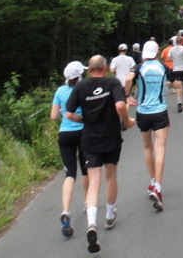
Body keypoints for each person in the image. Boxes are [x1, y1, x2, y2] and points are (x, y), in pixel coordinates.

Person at [65, 55, 134, 254]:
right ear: (105, 67)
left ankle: (92, 224)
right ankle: (110, 215)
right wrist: (126, 122)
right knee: (111, 175)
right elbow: (120, 105)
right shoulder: (112, 82)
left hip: (90, 139)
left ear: (89, 70)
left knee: (94, 182)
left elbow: (68, 114)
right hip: (110, 137)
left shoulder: (80, 87)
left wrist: (84, 121)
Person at [125, 40, 170, 212]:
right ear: (157, 52)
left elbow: (128, 79)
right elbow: (172, 81)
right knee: (160, 147)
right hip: (160, 110)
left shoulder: (138, 67)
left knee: (147, 146)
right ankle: (158, 186)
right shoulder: (162, 67)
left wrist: (127, 95)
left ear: (144, 53)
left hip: (143, 111)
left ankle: (152, 181)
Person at [51, 60, 90, 238]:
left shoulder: (60, 91)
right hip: (82, 133)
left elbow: (53, 116)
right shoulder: (83, 88)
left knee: (69, 174)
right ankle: (87, 203)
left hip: (65, 134)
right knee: (86, 170)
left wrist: (61, 113)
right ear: (79, 75)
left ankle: (66, 211)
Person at [168, 34, 183, 112]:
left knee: (177, 86)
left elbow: (169, 59)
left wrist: (174, 59)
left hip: (176, 68)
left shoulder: (172, 49)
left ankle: (178, 101)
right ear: (182, 41)